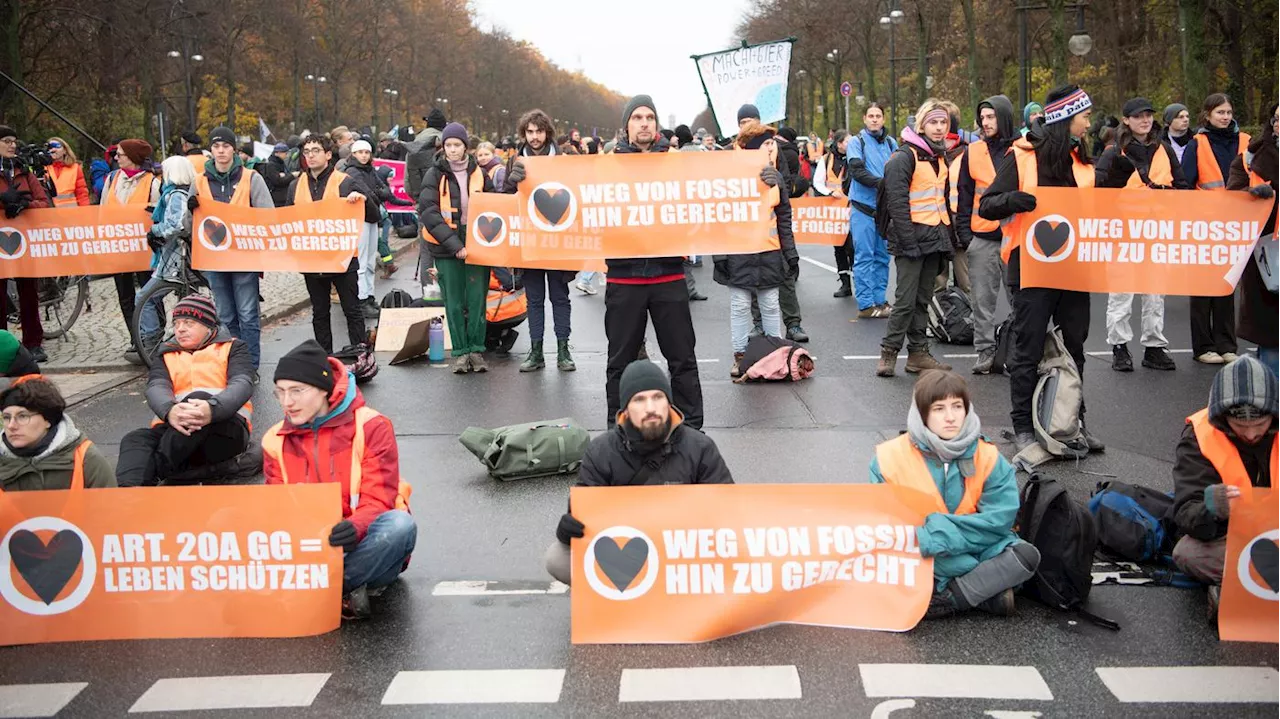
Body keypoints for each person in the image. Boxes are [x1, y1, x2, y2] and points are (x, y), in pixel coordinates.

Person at [979, 85, 1131, 453]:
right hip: (1030, 269)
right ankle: (1023, 427)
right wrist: (1012, 199)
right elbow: (987, 205)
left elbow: (1100, 205)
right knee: (1028, 347)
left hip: (1074, 267)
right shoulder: (1023, 155)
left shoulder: (1082, 160)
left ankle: (1072, 421)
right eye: (1084, 117)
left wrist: (1123, 168)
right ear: (1066, 119)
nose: (1088, 123)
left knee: (1075, 347)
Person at [554, 96, 705, 428]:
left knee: (682, 359)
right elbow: (572, 197)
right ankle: (617, 429)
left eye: (650, 117)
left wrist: (761, 179)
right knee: (619, 362)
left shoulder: (677, 161)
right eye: (637, 117)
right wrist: (519, 178)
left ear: (656, 123)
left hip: (668, 275)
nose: (644, 123)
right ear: (627, 125)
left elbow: (719, 188)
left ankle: (693, 428)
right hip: (625, 279)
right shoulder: (605, 164)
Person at [263, 340, 416, 619]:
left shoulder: (371, 425)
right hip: (309, 549)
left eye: (297, 391)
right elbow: (277, 510)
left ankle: (322, 590)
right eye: (280, 393)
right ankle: (341, 592)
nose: (287, 402)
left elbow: (379, 497)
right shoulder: (274, 439)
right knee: (222, 520)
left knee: (399, 526)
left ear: (323, 389)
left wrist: (353, 528)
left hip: (362, 545)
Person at [543, 360, 734, 585]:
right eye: (639, 400)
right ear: (625, 409)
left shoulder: (700, 447)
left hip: (684, 555)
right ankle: (617, 592)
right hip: (628, 553)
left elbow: (727, 512)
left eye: (658, 397)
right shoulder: (601, 451)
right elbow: (584, 514)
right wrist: (568, 529)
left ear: (669, 403)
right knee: (558, 558)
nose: (650, 408)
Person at [869, 370, 1041, 617]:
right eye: (939, 409)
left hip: (969, 546)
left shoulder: (988, 456)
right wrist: (939, 546)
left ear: (967, 409)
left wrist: (940, 536)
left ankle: (946, 598)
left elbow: (999, 521)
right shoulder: (887, 459)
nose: (950, 417)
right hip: (922, 551)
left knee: (1025, 556)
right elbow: (887, 527)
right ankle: (979, 592)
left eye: (957, 406)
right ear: (922, 413)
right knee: (885, 559)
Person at [1171, 356, 1277, 618]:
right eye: (1241, 426)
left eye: (1260, 425)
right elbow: (1185, 512)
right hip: (1232, 538)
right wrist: (1213, 508)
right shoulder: (1200, 435)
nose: (1251, 434)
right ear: (1223, 418)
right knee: (1188, 553)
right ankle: (1260, 585)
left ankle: (1243, 588)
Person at [115, 296, 256, 487]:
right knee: (135, 439)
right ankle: (129, 498)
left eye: (188, 323)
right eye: (176, 323)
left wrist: (212, 408)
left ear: (208, 326)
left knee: (198, 400)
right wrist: (169, 411)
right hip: (175, 429)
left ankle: (160, 469)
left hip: (224, 429)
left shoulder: (234, 348)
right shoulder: (165, 354)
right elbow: (156, 387)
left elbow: (242, 383)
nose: (180, 329)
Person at [1095, 97, 1188, 373]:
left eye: (1148, 115)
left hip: (1157, 230)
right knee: (1122, 293)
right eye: (1138, 116)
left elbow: (1182, 186)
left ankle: (1154, 346)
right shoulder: (1113, 153)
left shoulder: (1165, 150)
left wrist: (1168, 196)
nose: (1145, 120)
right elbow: (1098, 192)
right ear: (1126, 120)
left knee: (1155, 292)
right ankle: (1119, 346)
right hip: (1124, 232)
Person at [875, 99, 956, 378]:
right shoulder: (904, 157)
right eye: (933, 122)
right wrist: (909, 243)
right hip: (911, 239)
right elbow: (897, 204)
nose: (939, 128)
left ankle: (918, 354)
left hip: (934, 236)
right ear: (921, 125)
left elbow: (941, 200)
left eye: (943, 122)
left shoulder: (940, 155)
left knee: (922, 300)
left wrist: (950, 237)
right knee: (905, 300)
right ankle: (889, 353)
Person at [500, 110, 577, 372]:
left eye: (539, 131)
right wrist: (511, 184)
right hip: (529, 241)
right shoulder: (515, 161)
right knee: (534, 300)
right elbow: (506, 203)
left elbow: (576, 195)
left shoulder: (564, 160)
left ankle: (564, 351)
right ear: (524, 133)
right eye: (530, 132)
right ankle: (536, 352)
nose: (534, 137)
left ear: (547, 132)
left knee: (560, 297)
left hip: (557, 241)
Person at [717, 122, 795, 377]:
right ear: (752, 149)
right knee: (740, 304)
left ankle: (775, 356)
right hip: (738, 251)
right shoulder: (729, 174)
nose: (772, 148)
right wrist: (719, 254)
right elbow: (718, 215)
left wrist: (790, 253)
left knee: (771, 304)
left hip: (769, 250)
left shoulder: (776, 176)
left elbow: (783, 216)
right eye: (766, 144)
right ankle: (740, 357)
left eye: (772, 143)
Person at [194, 126, 274, 372]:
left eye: (225, 146)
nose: (220, 151)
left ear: (233, 149)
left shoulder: (252, 178)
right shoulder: (199, 181)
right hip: (215, 258)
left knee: (248, 314)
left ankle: (250, 367)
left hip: (244, 257)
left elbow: (267, 216)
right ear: (211, 150)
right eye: (216, 146)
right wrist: (191, 209)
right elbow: (190, 225)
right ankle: (234, 365)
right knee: (226, 316)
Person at [419, 122, 495, 374]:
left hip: (477, 239)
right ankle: (461, 352)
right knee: (453, 300)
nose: (452, 150)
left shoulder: (480, 173)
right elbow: (428, 212)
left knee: (476, 298)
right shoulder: (434, 173)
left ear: (465, 147)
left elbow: (495, 204)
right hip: (445, 243)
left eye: (457, 145)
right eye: (448, 145)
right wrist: (454, 245)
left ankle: (476, 348)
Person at [286, 134, 372, 353]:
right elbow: (287, 221)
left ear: (327, 154)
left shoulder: (345, 182)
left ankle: (359, 354)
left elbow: (372, 213)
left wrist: (360, 199)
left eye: (315, 151)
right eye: (307, 152)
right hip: (312, 259)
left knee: (351, 310)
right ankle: (325, 360)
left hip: (342, 258)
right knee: (320, 312)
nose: (311, 156)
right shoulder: (295, 186)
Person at [956, 95, 1018, 374]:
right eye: (982, 118)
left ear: (1004, 117)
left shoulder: (1022, 150)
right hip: (982, 238)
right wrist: (966, 237)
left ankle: (1019, 350)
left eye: (991, 117)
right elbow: (965, 194)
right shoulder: (973, 151)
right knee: (981, 301)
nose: (985, 122)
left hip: (1015, 235)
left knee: (1022, 299)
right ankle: (985, 351)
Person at [1190, 94, 1246, 365]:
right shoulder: (1197, 143)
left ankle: (1226, 344)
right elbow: (1186, 184)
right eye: (1220, 112)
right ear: (1208, 115)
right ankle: (1203, 346)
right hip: (1204, 224)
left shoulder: (1246, 141)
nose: (1225, 117)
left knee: (1226, 285)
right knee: (1202, 288)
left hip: (1235, 225)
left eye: (1228, 112)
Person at [1227, 101, 1280, 377]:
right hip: (1267, 262)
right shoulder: (1251, 157)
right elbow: (1233, 194)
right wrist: (1251, 196)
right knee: (1272, 345)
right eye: (1277, 120)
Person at [102, 139, 163, 363]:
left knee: (149, 295)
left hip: (144, 251)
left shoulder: (152, 183)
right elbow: (102, 211)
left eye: (120, 154)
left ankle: (154, 335)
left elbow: (158, 214)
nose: (116, 158)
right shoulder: (112, 179)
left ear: (133, 157)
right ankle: (135, 338)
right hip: (119, 249)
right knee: (125, 295)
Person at [0, 376, 114, 490]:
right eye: (6, 417)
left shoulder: (85, 459)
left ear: (48, 420)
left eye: (22, 416)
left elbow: (110, 505)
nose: (11, 425)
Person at [133, 155, 198, 356]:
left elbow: (175, 225)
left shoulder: (175, 194)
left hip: (174, 259)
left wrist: (155, 230)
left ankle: (151, 341)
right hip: (182, 256)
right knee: (187, 299)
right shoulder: (185, 191)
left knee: (144, 297)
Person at [0, 126, 51, 362]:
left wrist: (25, 205)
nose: (12, 145)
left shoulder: (23, 170)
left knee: (29, 292)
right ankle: (3, 344)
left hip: (25, 241)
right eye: (7, 141)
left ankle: (33, 343)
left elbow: (43, 201)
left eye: (14, 140)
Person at [847, 104, 897, 319]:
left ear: (884, 119)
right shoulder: (855, 142)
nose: (875, 119)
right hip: (863, 207)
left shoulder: (891, 143)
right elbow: (857, 171)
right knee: (864, 256)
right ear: (864, 119)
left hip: (884, 209)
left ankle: (880, 300)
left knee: (883, 257)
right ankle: (866, 304)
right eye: (871, 116)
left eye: (878, 116)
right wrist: (884, 184)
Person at [345, 139, 401, 317]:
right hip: (360, 218)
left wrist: (377, 194)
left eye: (366, 152)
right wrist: (378, 194)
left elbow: (383, 190)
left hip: (371, 217)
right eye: (360, 152)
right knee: (361, 262)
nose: (363, 155)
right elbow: (367, 193)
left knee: (370, 261)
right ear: (353, 154)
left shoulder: (369, 170)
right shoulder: (352, 171)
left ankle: (369, 296)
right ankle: (361, 300)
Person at [825, 130, 856, 298]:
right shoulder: (827, 159)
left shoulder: (855, 158)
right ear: (839, 144)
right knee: (839, 247)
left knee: (852, 247)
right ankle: (845, 283)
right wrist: (829, 193)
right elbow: (818, 182)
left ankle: (859, 282)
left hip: (852, 208)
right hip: (834, 209)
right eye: (847, 142)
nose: (851, 145)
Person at [46, 137, 90, 207]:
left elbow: (82, 194)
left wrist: (85, 212)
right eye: (50, 147)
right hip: (49, 214)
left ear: (65, 150)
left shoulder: (75, 168)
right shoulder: (43, 169)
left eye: (57, 146)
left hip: (71, 213)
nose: (53, 149)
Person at [1163, 103, 1199, 189]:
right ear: (1169, 120)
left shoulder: (1196, 139)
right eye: (1180, 117)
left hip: (1193, 189)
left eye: (1187, 116)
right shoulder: (1160, 141)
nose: (1186, 120)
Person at [258, 142, 294, 207]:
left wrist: (285, 175)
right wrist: (292, 176)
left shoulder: (280, 163)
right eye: (285, 153)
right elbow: (277, 181)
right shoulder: (271, 165)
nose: (287, 155)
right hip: (277, 199)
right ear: (278, 153)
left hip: (282, 197)